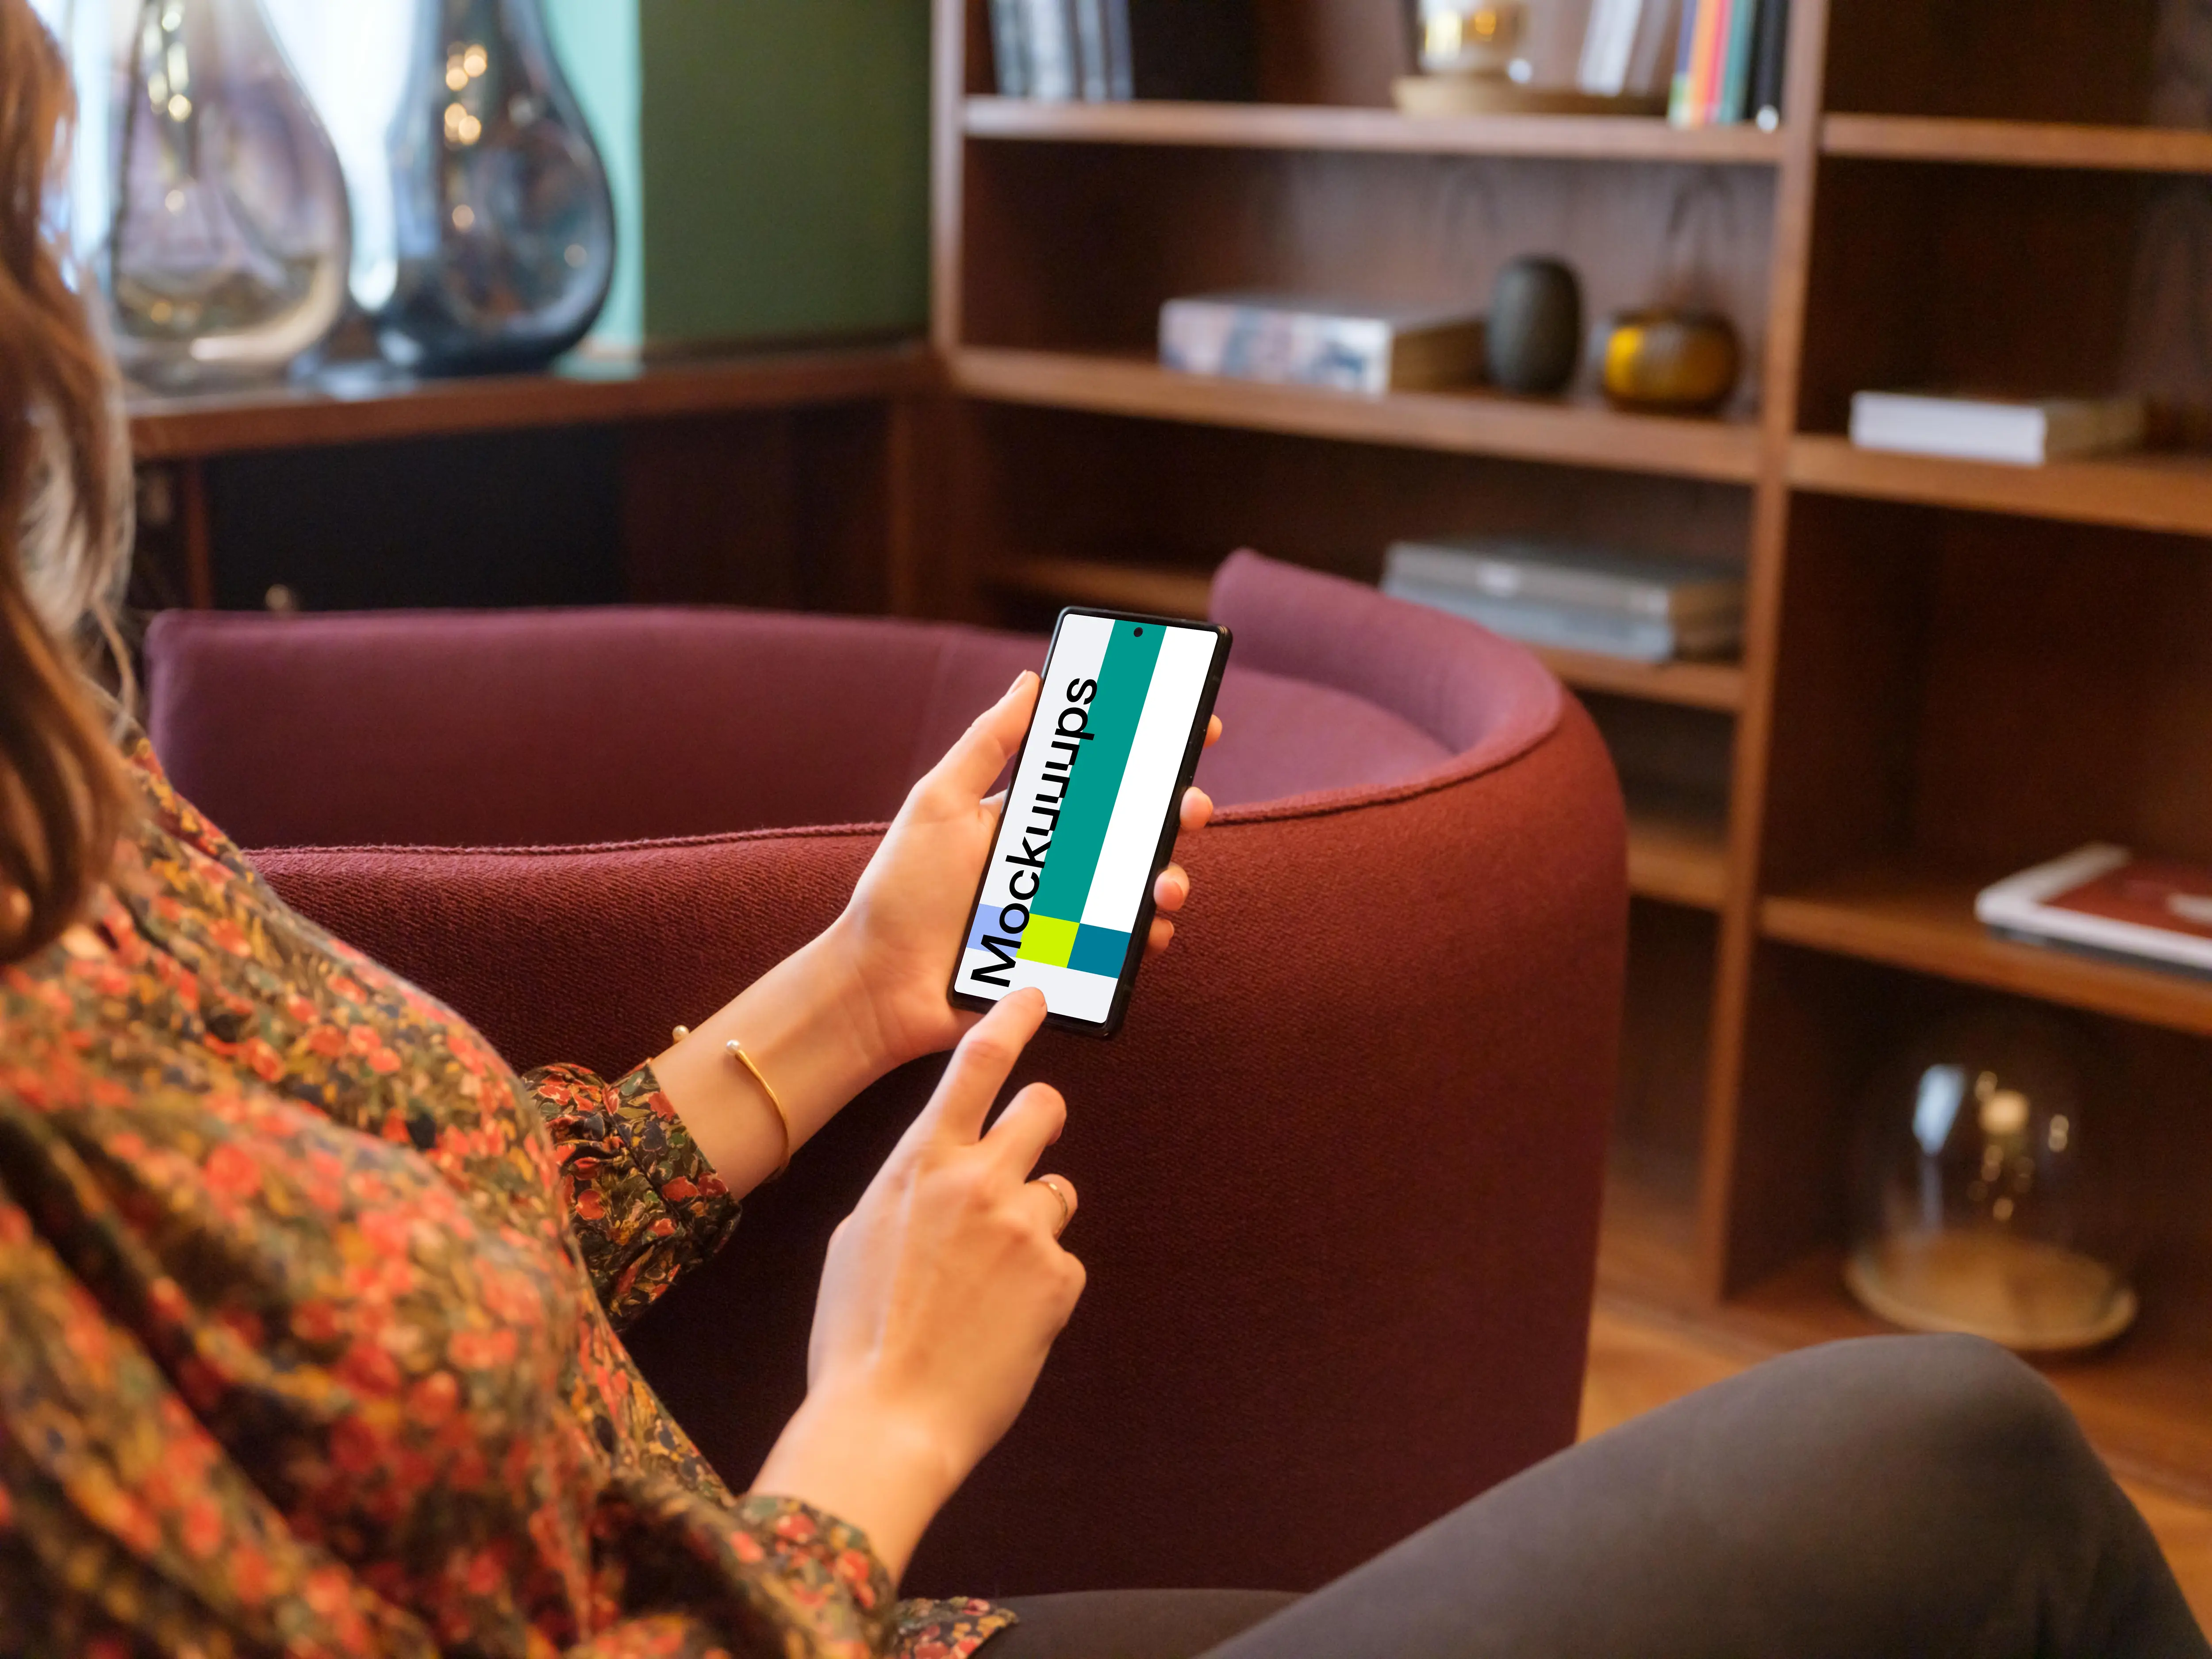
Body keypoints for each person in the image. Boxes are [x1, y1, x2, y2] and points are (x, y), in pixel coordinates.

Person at [0, 7, 2204, 1655]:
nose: (74, 314)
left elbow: (421, 1224)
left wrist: (846, 991)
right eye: (35, 238)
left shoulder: (69, 831)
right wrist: (878, 1422)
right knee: (1967, 1460)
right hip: (797, 1586)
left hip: (800, 1585)